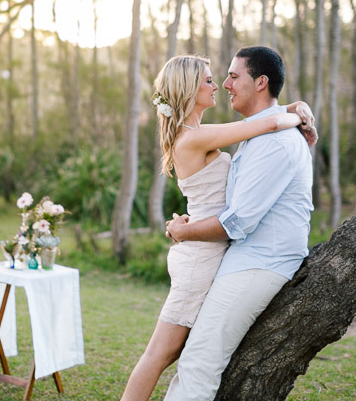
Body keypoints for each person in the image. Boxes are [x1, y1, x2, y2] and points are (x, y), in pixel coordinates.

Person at [120, 53, 316, 401]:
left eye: (226, 77)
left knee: (180, 354)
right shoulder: (196, 137)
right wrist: (295, 113)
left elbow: (264, 130)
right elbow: (267, 125)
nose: (220, 85)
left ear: (259, 82)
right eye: (210, 80)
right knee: (163, 355)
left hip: (216, 254)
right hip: (200, 258)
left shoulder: (202, 134)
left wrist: (291, 111)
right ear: (188, 88)